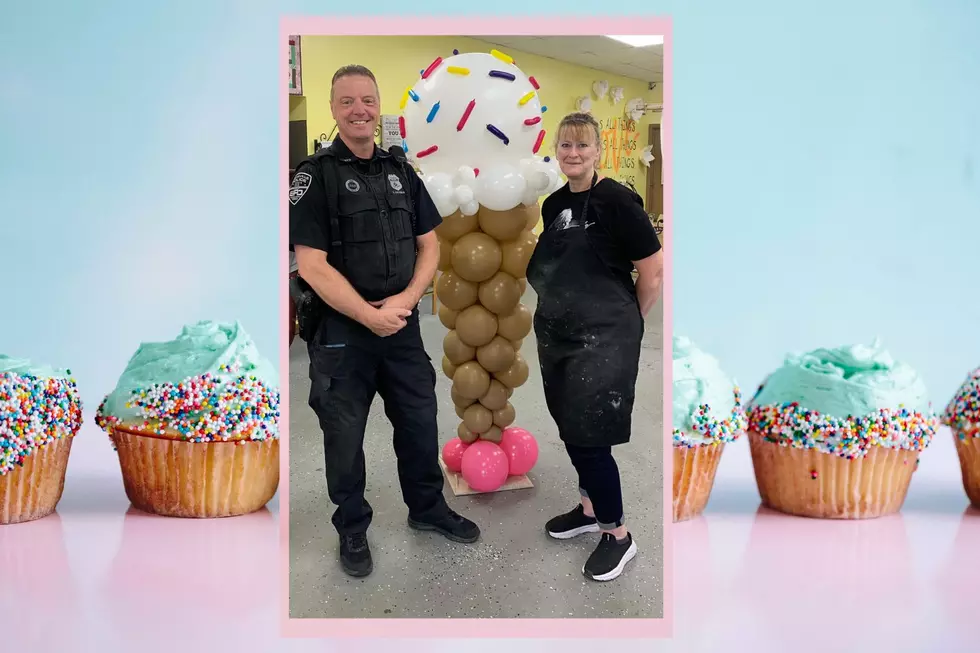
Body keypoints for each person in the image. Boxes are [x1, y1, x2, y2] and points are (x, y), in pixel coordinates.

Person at [289, 64, 480, 578]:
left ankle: (428, 509)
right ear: (333, 109)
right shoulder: (314, 176)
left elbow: (430, 244)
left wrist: (408, 300)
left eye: (367, 100)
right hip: (342, 336)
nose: (359, 110)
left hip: (400, 328)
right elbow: (311, 263)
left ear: (379, 106)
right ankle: (352, 527)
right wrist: (367, 315)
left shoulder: (401, 170)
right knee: (344, 438)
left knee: (419, 425)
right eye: (347, 101)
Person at [525, 112, 664, 582]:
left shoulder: (618, 201)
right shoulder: (554, 204)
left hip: (605, 335)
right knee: (570, 426)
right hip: (559, 334)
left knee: (590, 438)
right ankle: (588, 509)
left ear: (598, 150)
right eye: (565, 145)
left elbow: (654, 270)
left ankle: (617, 534)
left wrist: (630, 323)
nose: (573, 153)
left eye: (582, 145)